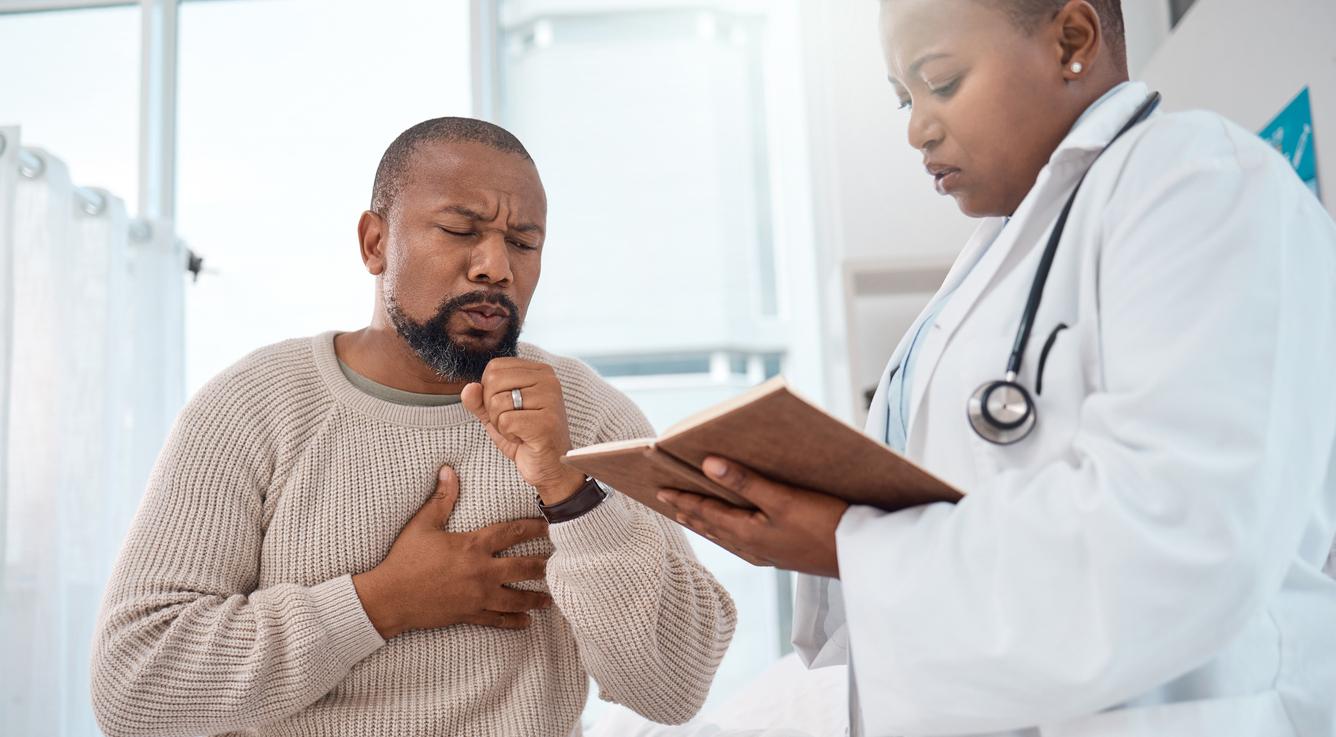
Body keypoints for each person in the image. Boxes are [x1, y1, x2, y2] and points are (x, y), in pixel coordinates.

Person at [656, 1, 1336, 735]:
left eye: (941, 82)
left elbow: (1185, 535)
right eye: (903, 99)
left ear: (1071, 39)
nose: (917, 128)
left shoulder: (1201, 181)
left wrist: (843, 541)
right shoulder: (991, 261)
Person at [90, 117, 737, 737]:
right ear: (375, 242)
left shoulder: (588, 413)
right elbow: (132, 685)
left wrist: (572, 491)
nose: (496, 267)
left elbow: (673, 688)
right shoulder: (251, 406)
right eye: (461, 230)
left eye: (523, 242)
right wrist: (381, 601)